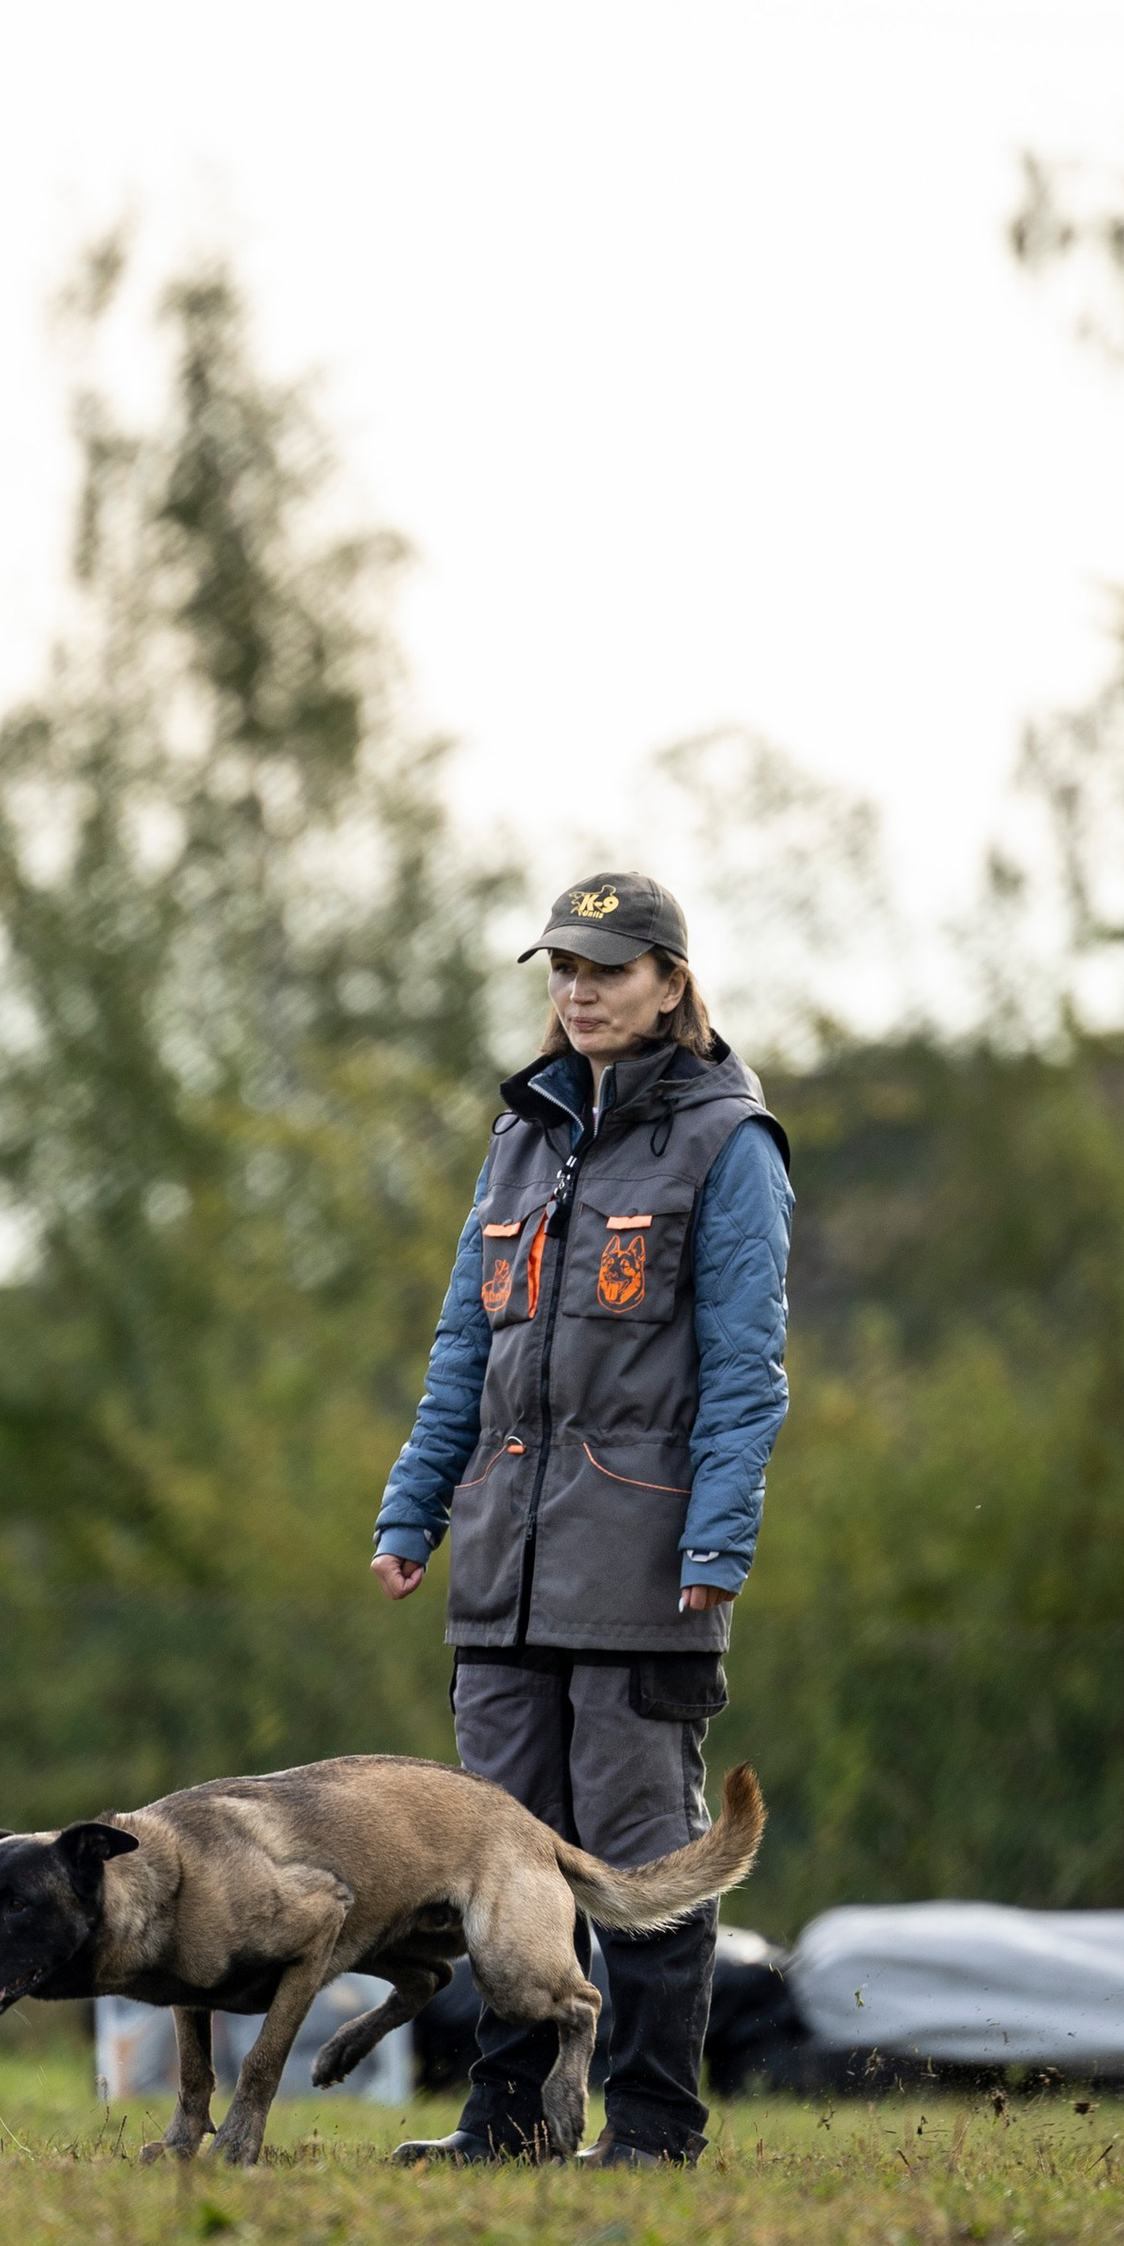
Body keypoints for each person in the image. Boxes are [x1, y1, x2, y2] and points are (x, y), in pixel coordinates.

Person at [370, 871, 792, 2168]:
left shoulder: (731, 1144)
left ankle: (656, 2127)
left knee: (640, 1864)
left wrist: (717, 1544)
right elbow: (464, 1348)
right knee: (498, 1870)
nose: (579, 989)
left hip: (645, 1570)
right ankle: (512, 2125)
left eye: (607, 967)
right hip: (503, 1572)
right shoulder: (521, 1135)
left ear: (671, 979)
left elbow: (745, 1368)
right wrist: (413, 1508)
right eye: (562, 967)